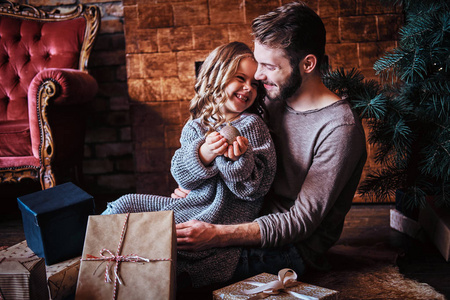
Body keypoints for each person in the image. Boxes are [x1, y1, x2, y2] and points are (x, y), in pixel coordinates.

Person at [174, 1, 367, 284]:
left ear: (308, 64)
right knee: (153, 239)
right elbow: (226, 150)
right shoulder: (268, 97)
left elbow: (300, 222)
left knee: (175, 267)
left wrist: (215, 234)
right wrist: (198, 184)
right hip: (240, 214)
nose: (258, 75)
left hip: (292, 247)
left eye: (268, 66)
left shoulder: (339, 128)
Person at [102, 42, 276, 288]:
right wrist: (204, 153)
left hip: (222, 219)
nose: (248, 88)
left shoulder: (253, 126)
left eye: (254, 84)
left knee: (167, 246)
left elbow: (252, 190)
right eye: (240, 78)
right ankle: (90, 257)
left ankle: (137, 272)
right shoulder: (195, 126)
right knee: (125, 203)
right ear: (217, 77)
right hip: (190, 206)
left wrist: (235, 160)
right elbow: (184, 179)